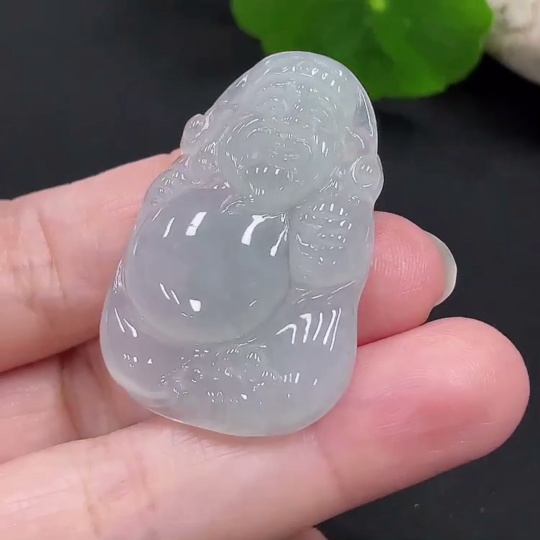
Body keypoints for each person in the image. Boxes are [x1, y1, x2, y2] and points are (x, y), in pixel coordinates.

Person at [0, 151, 529, 540]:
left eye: (304, 138)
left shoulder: (319, 219)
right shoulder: (193, 195)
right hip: (160, 341)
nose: (280, 148)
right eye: (264, 128)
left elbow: (323, 293)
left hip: (263, 358)